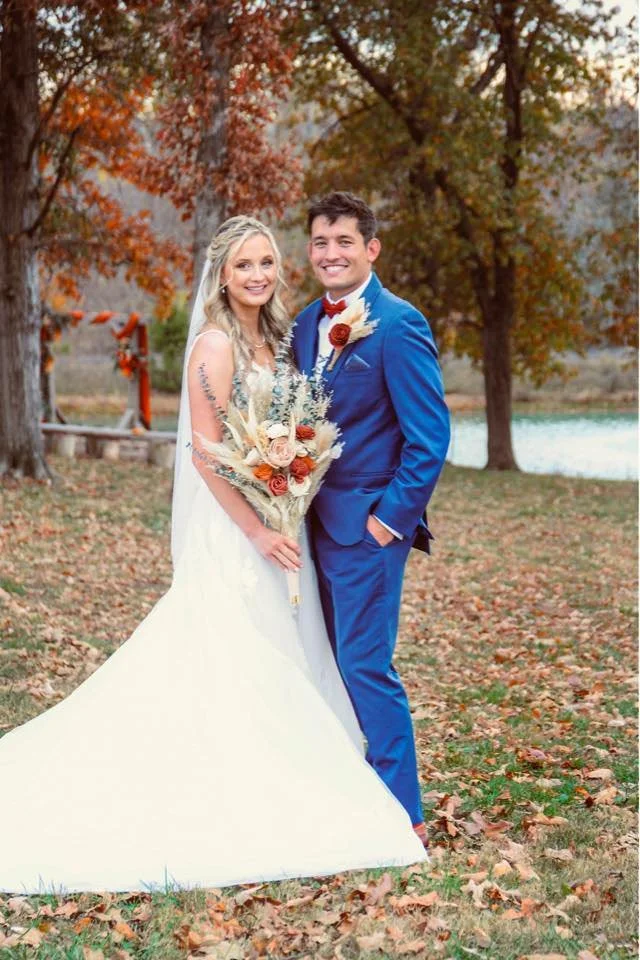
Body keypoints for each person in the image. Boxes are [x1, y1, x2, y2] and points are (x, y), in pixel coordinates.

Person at [0, 215, 425, 894]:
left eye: (266, 262)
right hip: (239, 534)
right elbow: (205, 456)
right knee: (236, 652)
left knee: (291, 651)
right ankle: (229, 786)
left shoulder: (281, 338)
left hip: (285, 524)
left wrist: (291, 488)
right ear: (221, 277)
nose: (257, 275)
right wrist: (256, 530)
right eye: (243, 265)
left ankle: (300, 774)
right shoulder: (216, 345)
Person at [292, 192, 451, 848]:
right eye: (320, 243)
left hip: (366, 531)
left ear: (371, 249)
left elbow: (429, 438)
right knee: (323, 662)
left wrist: (389, 522)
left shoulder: (399, 324)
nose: (331, 254)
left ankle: (401, 816)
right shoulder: (304, 324)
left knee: (364, 665)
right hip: (306, 526)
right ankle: (344, 797)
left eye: (344, 242)